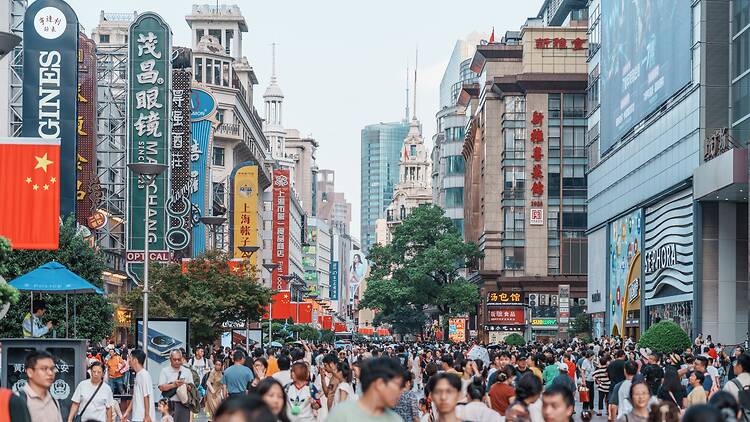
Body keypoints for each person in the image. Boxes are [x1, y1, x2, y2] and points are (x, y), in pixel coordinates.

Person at [326, 357, 404, 422]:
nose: (401, 391)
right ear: (380, 384)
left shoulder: (395, 419)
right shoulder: (341, 414)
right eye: (398, 385)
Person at [20, 350, 62, 422]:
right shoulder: (18, 400)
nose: (50, 373)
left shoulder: (53, 401)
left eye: (52, 369)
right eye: (44, 369)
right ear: (30, 372)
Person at [157, 349, 193, 422]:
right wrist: (174, 385)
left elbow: (191, 388)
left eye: (179, 359)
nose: (177, 361)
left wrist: (185, 385)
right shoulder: (165, 371)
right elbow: (161, 387)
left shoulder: (187, 371)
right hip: (169, 405)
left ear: (182, 358)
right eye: (174, 359)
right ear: (170, 359)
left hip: (184, 405)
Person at [122, 349, 156, 422]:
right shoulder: (138, 374)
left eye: (130, 358)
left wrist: (147, 415)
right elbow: (135, 396)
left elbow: (146, 396)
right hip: (138, 417)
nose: (129, 361)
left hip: (143, 418)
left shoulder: (144, 375)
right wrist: (127, 412)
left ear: (135, 360)